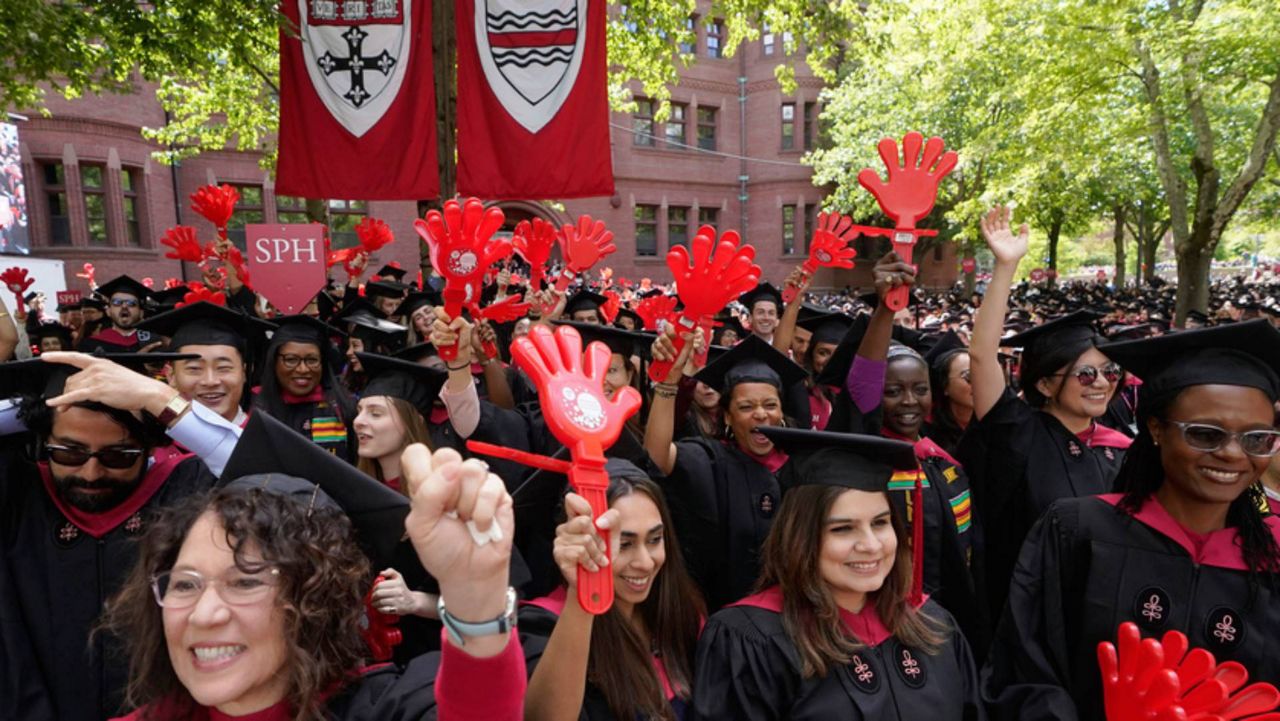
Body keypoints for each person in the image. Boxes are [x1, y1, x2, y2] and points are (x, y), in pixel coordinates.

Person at [982, 320, 1280, 720]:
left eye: (1257, 439)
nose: (1232, 453)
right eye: (1205, 434)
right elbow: (1023, 671)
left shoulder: (1271, 557)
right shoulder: (1078, 532)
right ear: (1156, 428)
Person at [103, 443, 527, 721]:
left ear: (316, 602)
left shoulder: (385, 709)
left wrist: (474, 599)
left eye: (245, 582)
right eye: (184, 584)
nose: (203, 614)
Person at [690, 430, 985, 720]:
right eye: (843, 529)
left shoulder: (932, 624)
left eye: (880, 523)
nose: (871, 545)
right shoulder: (751, 641)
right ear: (800, 537)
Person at [0, 352, 224, 721]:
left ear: (149, 445)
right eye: (68, 452)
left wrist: (160, 401)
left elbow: (291, 482)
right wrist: (32, 406)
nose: (91, 473)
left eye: (118, 456)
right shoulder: (17, 493)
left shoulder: (189, 488)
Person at [960, 207, 1131, 622]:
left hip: (1102, 609)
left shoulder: (1122, 449)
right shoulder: (1018, 432)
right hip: (1024, 611)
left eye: (1110, 371)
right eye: (1085, 373)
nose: (1101, 382)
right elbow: (981, 357)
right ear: (1044, 384)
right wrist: (1006, 266)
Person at [847, 253, 983, 652]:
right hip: (878, 621)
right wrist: (885, 308)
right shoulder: (866, 455)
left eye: (919, 389)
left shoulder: (942, 462)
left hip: (944, 620)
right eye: (893, 391)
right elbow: (862, 387)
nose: (909, 401)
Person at [520, 461, 705, 721]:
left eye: (654, 539)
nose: (645, 562)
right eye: (624, 544)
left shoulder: (679, 615)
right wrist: (583, 591)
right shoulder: (546, 625)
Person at [644, 332, 808, 610]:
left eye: (770, 405)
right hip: (722, 613)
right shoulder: (711, 460)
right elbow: (656, 456)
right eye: (746, 407)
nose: (761, 414)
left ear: (781, 412)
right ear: (729, 417)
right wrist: (669, 383)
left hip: (793, 613)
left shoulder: (801, 467)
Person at [138, 301, 275, 426]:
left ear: (244, 372)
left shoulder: (271, 436)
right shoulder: (155, 438)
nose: (210, 381)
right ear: (171, 376)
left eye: (223, 368)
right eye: (194, 368)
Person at [252, 315, 357, 458]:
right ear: (274, 362)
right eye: (291, 360)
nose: (303, 369)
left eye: (312, 360)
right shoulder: (254, 405)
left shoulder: (344, 408)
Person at [79, 275, 154, 353]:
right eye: (117, 303)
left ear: (141, 312)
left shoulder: (154, 343)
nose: (124, 306)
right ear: (108, 311)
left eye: (131, 303)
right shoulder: (90, 345)